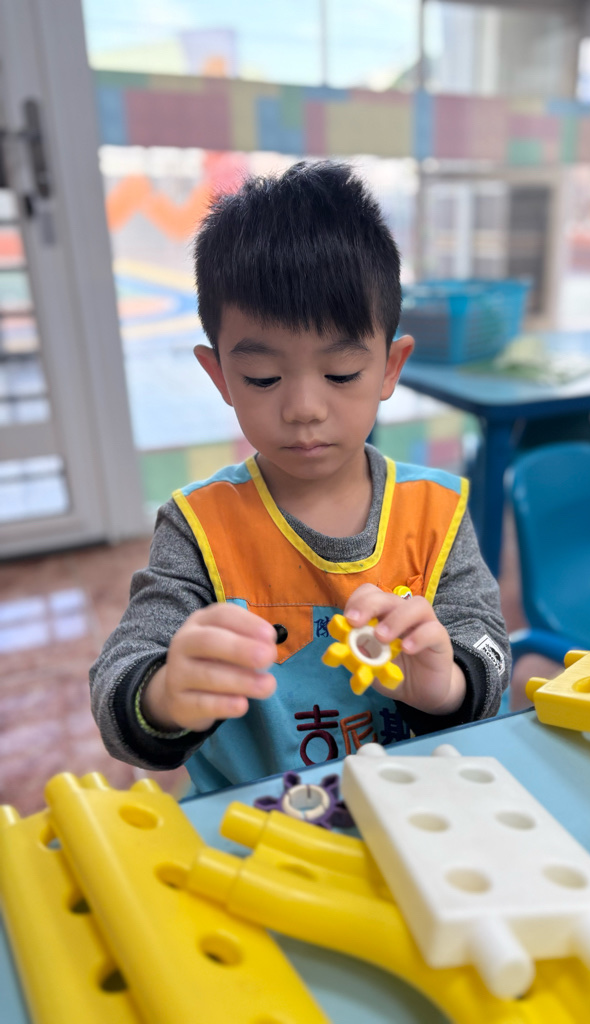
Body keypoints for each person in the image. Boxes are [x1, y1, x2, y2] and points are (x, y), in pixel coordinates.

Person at [90, 161, 510, 793]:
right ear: (220, 376)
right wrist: (165, 694)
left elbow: (488, 647)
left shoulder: (434, 509)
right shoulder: (200, 528)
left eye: (341, 373)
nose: (304, 409)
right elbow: (119, 678)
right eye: (263, 378)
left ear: (390, 368)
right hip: (259, 819)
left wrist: (448, 683)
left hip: (418, 804)